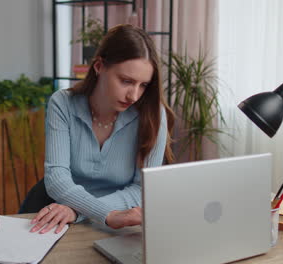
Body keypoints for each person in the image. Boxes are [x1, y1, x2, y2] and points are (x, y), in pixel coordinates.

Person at [28, 24, 174, 234]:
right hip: (63, 219)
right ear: (99, 67)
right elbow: (57, 179)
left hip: (119, 221)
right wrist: (108, 214)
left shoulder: (153, 114)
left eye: (143, 85)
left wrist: (79, 211)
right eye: (126, 81)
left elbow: (142, 190)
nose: (134, 95)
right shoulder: (63, 103)